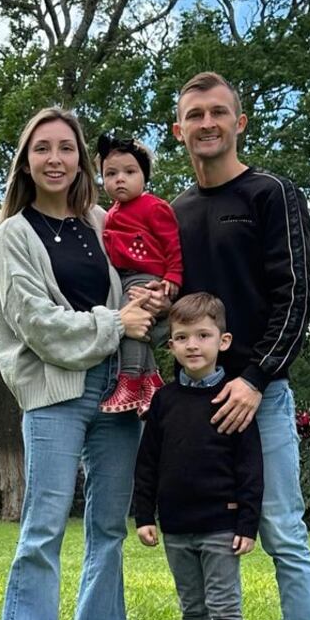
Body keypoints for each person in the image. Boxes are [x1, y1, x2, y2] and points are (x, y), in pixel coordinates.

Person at [135, 72, 310, 620]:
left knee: (280, 531)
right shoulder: (175, 212)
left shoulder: (271, 194)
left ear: (239, 123)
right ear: (178, 129)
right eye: (195, 114)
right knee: (199, 535)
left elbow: (295, 295)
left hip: (260, 397)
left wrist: (254, 377)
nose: (207, 123)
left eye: (219, 112)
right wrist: (155, 304)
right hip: (192, 404)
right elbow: (178, 303)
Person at [0, 107, 154, 620]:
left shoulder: (103, 220)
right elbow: (36, 322)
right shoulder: (15, 232)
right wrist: (117, 320)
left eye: (66, 147)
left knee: (108, 528)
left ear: (81, 158)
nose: (55, 158)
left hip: (118, 387)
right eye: (42, 149)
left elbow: (142, 277)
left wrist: (150, 293)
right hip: (54, 391)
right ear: (27, 161)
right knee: (43, 528)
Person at [134, 293, 263, 620]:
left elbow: (249, 468)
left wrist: (247, 523)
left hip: (221, 526)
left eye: (203, 335)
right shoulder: (163, 401)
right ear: (169, 345)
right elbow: (148, 462)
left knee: (224, 608)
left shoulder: (233, 398)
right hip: (175, 525)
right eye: (182, 337)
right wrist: (143, 514)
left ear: (222, 341)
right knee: (192, 607)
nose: (193, 345)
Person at [96, 133, 183, 415]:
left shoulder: (153, 207)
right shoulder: (110, 214)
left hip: (147, 277)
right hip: (123, 278)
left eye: (129, 172)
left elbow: (172, 245)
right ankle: (152, 381)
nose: (120, 179)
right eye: (111, 173)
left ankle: (131, 380)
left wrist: (173, 277)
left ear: (143, 176)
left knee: (128, 324)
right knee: (135, 326)